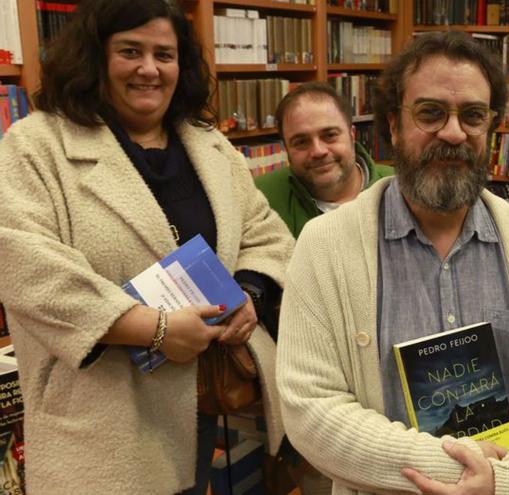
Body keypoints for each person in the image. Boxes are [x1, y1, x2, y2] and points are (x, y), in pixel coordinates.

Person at [276, 31, 509, 495]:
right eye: (430, 113)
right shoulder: (323, 247)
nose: (452, 132)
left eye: (472, 115)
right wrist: (455, 472)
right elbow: (310, 408)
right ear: (392, 125)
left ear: (491, 127)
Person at [0, 0, 294, 493]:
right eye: (130, 51)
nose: (149, 69)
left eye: (165, 54)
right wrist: (152, 329)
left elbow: (265, 234)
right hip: (102, 421)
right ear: (95, 57)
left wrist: (250, 292)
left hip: (199, 401)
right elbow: (22, 263)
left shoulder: (209, 146)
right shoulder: (35, 146)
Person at [255, 81, 395, 237]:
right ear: (286, 149)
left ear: (351, 135)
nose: (318, 151)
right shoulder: (260, 198)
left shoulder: (398, 187)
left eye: (329, 135)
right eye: (301, 142)